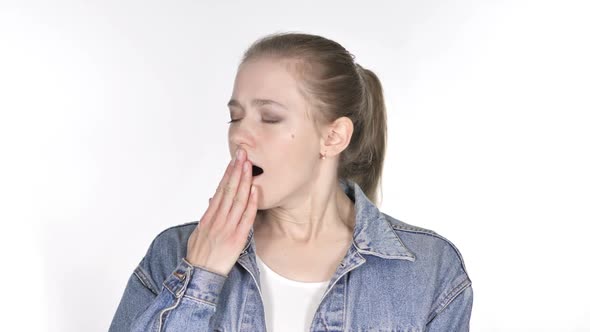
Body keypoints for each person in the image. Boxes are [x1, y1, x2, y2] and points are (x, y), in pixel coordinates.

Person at [108, 32, 473, 332]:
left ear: (332, 138)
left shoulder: (428, 269)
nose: (240, 137)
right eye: (235, 118)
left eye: (269, 117)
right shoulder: (174, 252)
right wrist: (200, 277)